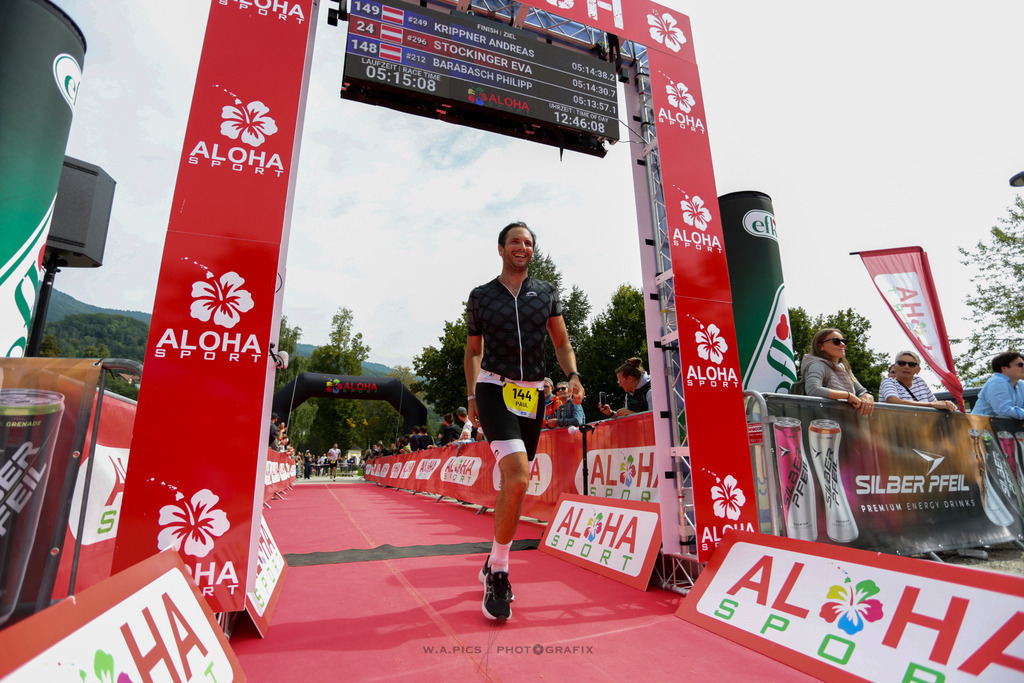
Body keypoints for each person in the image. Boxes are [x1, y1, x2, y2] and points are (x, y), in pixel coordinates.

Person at [465, 221, 583, 620]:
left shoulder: (546, 293)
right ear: (500, 249)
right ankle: (499, 570)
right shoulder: (481, 297)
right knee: (516, 477)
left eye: (529, 242)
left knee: (518, 486)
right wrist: (471, 396)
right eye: (516, 241)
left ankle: (490, 562)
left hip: (532, 394)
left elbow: (562, 341)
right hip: (494, 389)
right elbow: (473, 351)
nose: (523, 247)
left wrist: (573, 376)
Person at [798, 328, 874, 416]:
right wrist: (848, 395)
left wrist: (868, 396)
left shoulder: (844, 368)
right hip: (823, 423)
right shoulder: (817, 365)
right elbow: (813, 390)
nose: (842, 345)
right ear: (820, 347)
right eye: (836, 341)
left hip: (844, 421)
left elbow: (861, 391)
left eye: (844, 341)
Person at [878, 350, 957, 410]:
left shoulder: (920, 381)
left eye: (911, 364)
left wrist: (946, 403)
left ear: (918, 370)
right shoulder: (888, 382)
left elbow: (935, 402)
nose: (906, 366)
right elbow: (893, 401)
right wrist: (931, 405)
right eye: (902, 363)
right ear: (895, 367)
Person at [972, 350, 1024, 420]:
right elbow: (1004, 411)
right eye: (1020, 365)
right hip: (980, 428)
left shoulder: (1020, 384)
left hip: (1001, 428)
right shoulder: (997, 383)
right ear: (1004, 368)